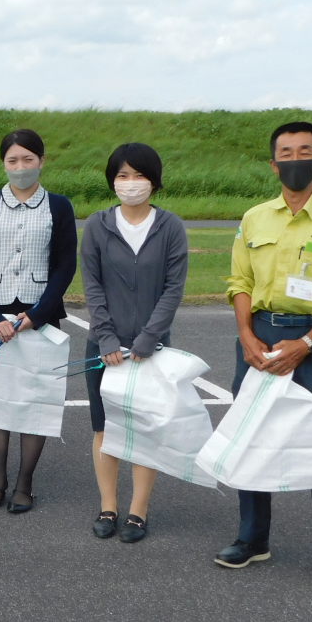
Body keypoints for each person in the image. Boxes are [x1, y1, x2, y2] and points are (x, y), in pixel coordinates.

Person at [216, 121, 312, 594]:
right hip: (260, 336)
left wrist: (308, 344)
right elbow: (239, 283)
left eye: (305, 151)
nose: (295, 159)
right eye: (286, 152)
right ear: (274, 163)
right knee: (253, 437)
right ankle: (252, 539)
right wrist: (245, 334)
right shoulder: (254, 218)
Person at [79, 143, 189, 543]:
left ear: (154, 181)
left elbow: (173, 289)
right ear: (112, 181)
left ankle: (138, 512)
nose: (130, 183)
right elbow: (92, 286)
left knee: (145, 427)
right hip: (102, 346)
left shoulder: (171, 227)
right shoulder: (97, 225)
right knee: (105, 428)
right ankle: (108, 506)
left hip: (151, 350)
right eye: (122, 175)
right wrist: (106, 336)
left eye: (138, 175)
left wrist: (147, 339)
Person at [0, 129, 77, 513]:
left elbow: (65, 264)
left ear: (41, 161)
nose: (21, 167)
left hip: (40, 316)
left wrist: (40, 312)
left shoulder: (59, 206)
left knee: (35, 398)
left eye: (28, 159)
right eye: (13, 160)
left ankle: (25, 482)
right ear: (4, 164)